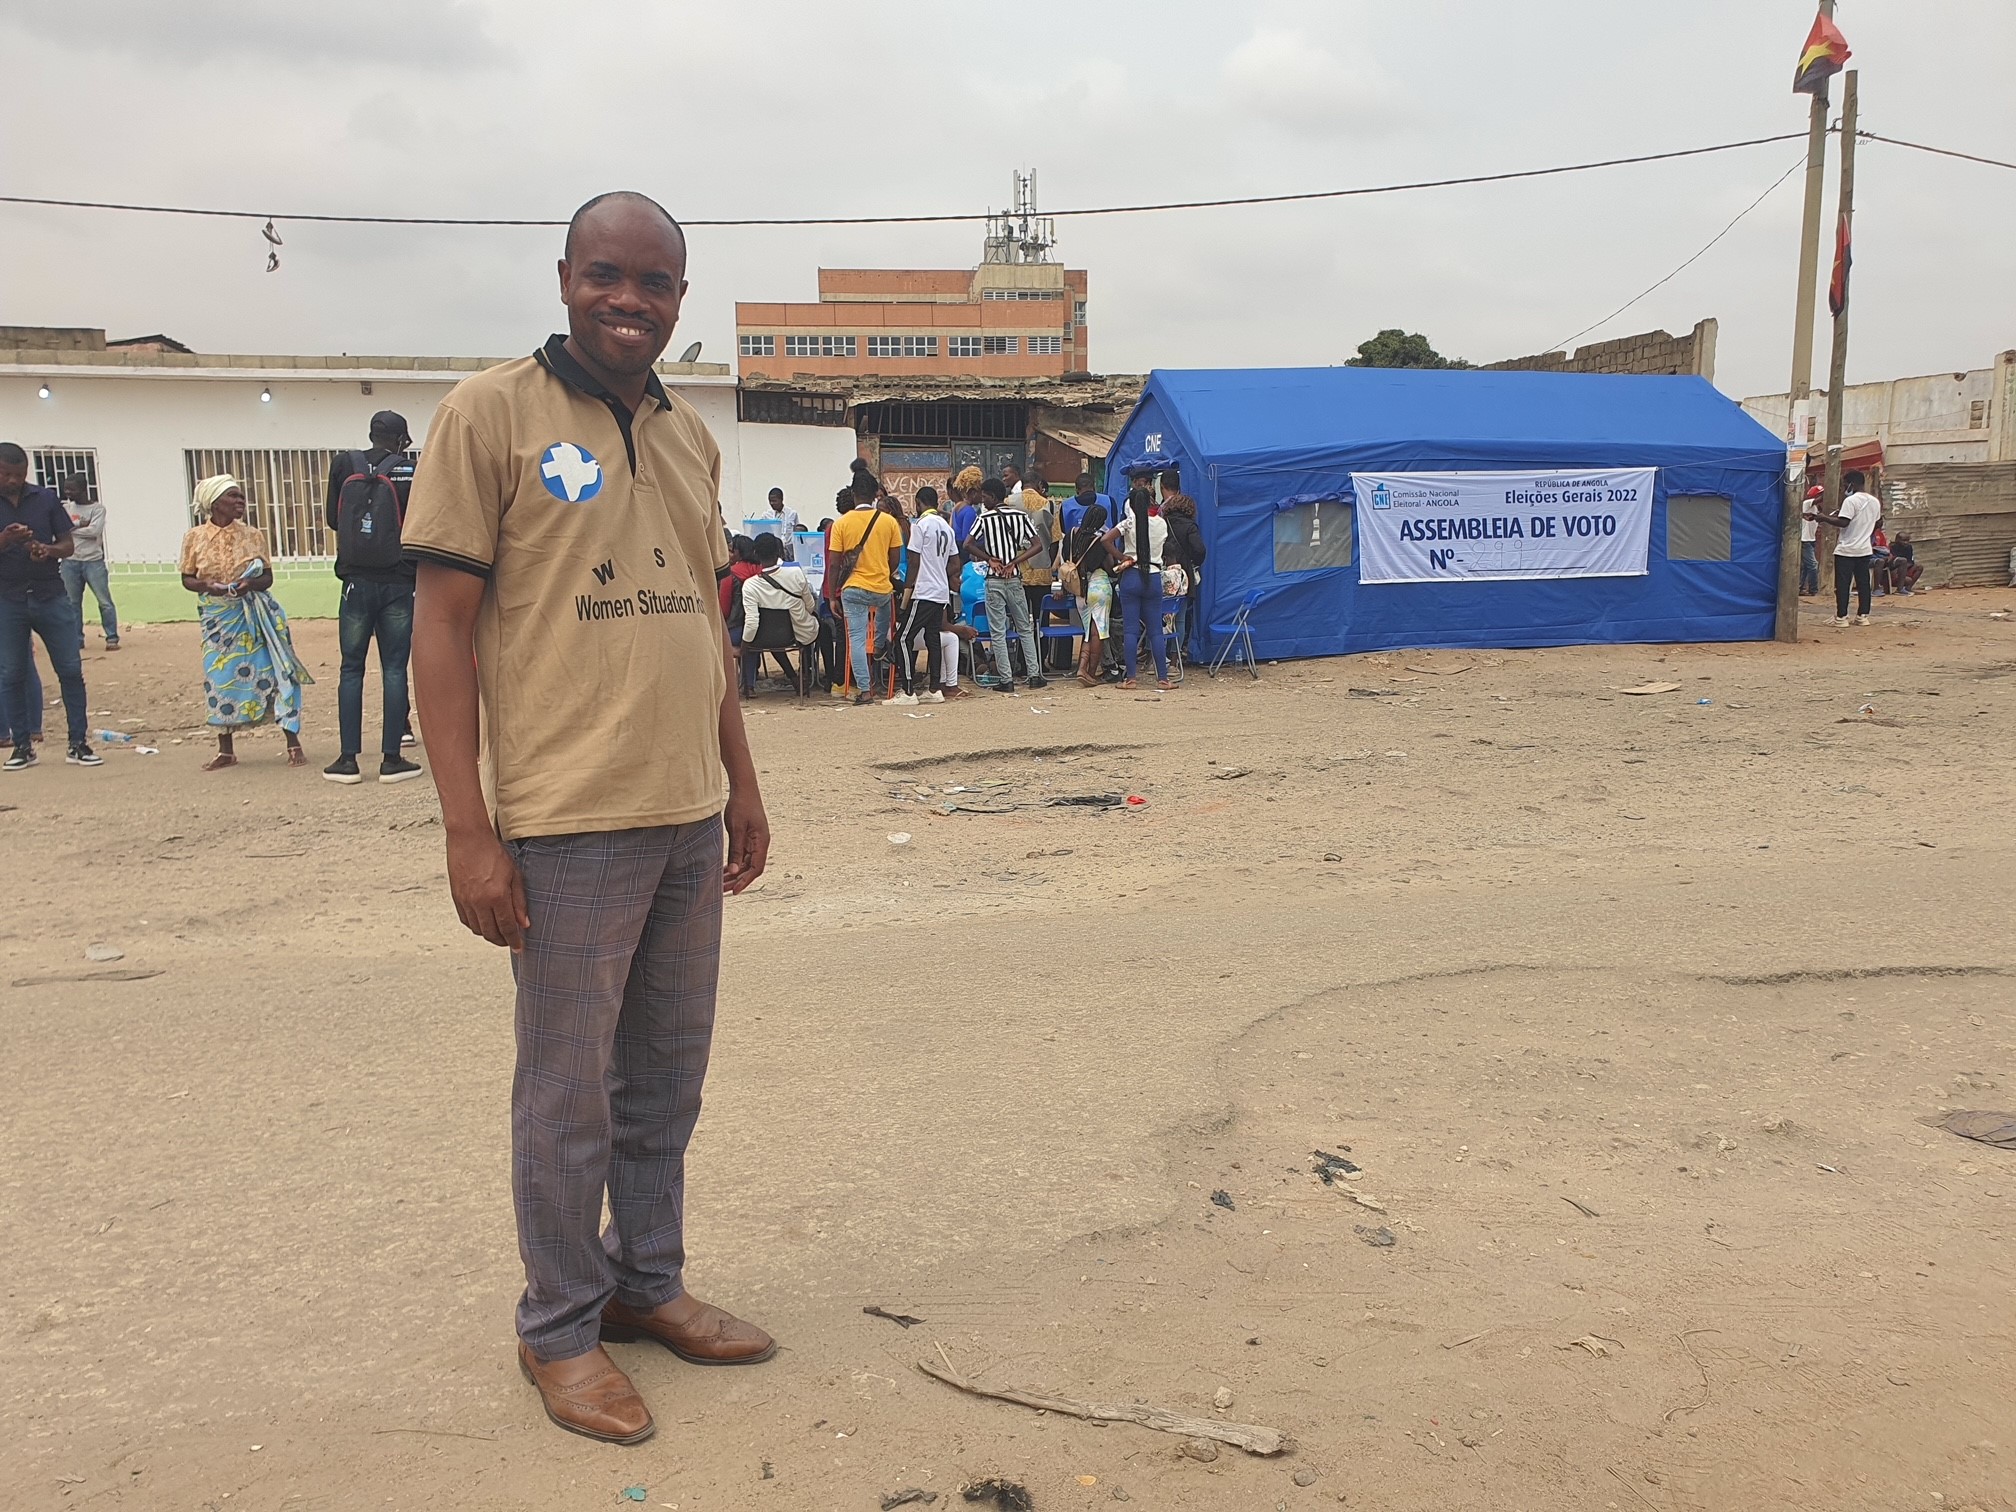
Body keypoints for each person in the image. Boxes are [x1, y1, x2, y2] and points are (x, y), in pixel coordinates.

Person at [405, 189, 774, 1447]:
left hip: (685, 811)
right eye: (607, 275)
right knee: (567, 1092)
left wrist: (745, 783)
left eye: (657, 283)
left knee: (665, 1081)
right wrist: (469, 828)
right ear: (565, 277)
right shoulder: (490, 416)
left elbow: (705, 623)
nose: (631, 301)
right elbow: (443, 632)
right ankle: (558, 1327)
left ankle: (644, 1285)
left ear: (682, 298)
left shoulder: (687, 436)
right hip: (566, 823)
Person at [179, 476, 312, 770]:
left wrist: (249, 584)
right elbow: (186, 578)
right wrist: (206, 585)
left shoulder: (253, 535)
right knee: (220, 678)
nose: (241, 502)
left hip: (254, 616)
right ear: (214, 503)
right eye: (233, 497)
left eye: (241, 497)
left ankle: (292, 740)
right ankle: (226, 750)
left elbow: (267, 577)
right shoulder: (194, 537)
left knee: (276, 671)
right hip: (218, 620)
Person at [322, 411, 424, 785]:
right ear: (401, 440)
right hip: (398, 582)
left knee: (351, 668)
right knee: (394, 668)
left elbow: (335, 519)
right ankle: (392, 759)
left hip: (354, 582)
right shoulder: (409, 471)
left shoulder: (343, 464)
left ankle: (347, 760)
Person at [0, 442, 96, 769]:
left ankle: (78, 743)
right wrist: (6, 540)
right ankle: (22, 747)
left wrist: (47, 550)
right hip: (7, 598)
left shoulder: (45, 499)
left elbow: (68, 544)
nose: (13, 480)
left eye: (19, 474)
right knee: (12, 673)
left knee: (70, 669)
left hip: (50, 594)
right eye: (6, 474)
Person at [825, 470, 903, 705]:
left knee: (856, 640)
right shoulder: (888, 521)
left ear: (853, 493)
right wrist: (884, 573)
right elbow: (895, 558)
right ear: (874, 494)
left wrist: (831, 596)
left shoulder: (841, 524)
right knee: (882, 623)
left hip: (853, 589)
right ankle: (879, 646)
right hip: (881, 587)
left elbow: (834, 564)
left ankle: (865, 691)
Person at [967, 477, 1046, 692]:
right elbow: (1037, 545)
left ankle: (1006, 679)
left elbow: (968, 543)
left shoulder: (984, 518)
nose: (983, 501)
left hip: (994, 579)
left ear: (992, 497)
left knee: (998, 632)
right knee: (1024, 628)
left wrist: (989, 559)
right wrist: (1015, 562)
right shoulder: (1020, 517)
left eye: (984, 497)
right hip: (1015, 578)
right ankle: (1034, 675)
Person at [891, 484, 958, 705]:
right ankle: (934, 689)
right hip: (941, 593)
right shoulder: (946, 528)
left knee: (902, 637)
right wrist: (940, 572)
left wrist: (908, 590)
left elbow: (913, 560)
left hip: (924, 591)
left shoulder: (920, 525)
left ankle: (908, 691)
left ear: (919, 504)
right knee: (932, 639)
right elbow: (955, 562)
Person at [738, 532, 820, 696]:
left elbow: (752, 622)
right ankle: (806, 675)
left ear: (755, 554)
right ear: (779, 552)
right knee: (816, 627)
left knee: (773, 632)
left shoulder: (750, 585)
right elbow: (810, 606)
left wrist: (744, 645)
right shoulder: (796, 573)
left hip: (762, 638)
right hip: (794, 635)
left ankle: (792, 677)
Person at [1113, 483, 1171, 690]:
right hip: (1153, 577)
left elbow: (1105, 540)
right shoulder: (1161, 524)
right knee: (1156, 630)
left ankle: (1131, 679)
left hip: (1131, 576)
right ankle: (1163, 679)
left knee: (1130, 630)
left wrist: (1124, 557)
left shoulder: (1128, 522)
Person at [58, 474, 119, 652]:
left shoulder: (97, 509)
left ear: (83, 489)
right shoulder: (65, 508)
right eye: (66, 488)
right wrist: (80, 527)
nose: (68, 492)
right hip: (70, 561)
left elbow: (94, 531)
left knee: (104, 601)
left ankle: (112, 637)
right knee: (72, 603)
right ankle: (76, 640)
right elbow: (59, 530)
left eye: (72, 489)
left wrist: (71, 529)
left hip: (93, 561)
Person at [1814, 470, 1882, 627]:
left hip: (1846, 549)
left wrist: (1824, 518)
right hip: (1864, 549)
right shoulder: (1874, 501)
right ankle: (1862, 616)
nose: (1845, 487)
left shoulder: (1851, 501)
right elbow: (1878, 522)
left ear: (1852, 483)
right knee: (1863, 583)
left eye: (1845, 484)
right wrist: (1865, 529)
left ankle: (1841, 617)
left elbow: (1843, 522)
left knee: (1843, 585)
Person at [1064, 501, 1115, 687]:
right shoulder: (1100, 540)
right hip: (1098, 585)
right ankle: (1090, 672)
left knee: (1087, 632)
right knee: (1098, 633)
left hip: (1079, 590)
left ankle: (1081, 669)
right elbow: (1109, 567)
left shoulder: (1070, 536)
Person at [1160, 469, 1206, 652]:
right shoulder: (1190, 526)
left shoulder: (1161, 521)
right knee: (1180, 617)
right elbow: (1200, 549)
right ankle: (1174, 659)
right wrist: (1194, 562)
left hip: (1163, 570)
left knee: (1160, 614)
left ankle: (1155, 657)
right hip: (1184, 574)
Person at [720, 535, 763, 696]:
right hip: (765, 630)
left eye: (731, 551)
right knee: (750, 642)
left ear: (737, 552)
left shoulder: (731, 574)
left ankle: (732, 685)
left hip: (736, 627)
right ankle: (749, 685)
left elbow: (724, 608)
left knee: (740, 640)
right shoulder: (763, 570)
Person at [949, 466, 984, 546]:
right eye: (980, 492)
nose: (982, 495)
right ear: (973, 493)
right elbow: (967, 539)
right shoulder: (969, 511)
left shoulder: (958, 506)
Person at [764, 487, 800, 560]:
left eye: (774, 501)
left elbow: (796, 531)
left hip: (789, 549)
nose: (772, 503)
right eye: (770, 501)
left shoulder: (792, 513)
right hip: (774, 550)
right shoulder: (766, 515)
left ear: (781, 499)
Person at [1799, 485, 1822, 597]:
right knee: (1813, 565)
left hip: (1810, 539)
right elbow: (1818, 499)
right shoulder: (1807, 503)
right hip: (1805, 540)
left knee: (1806, 566)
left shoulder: (1815, 508)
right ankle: (1814, 589)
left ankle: (1800, 587)